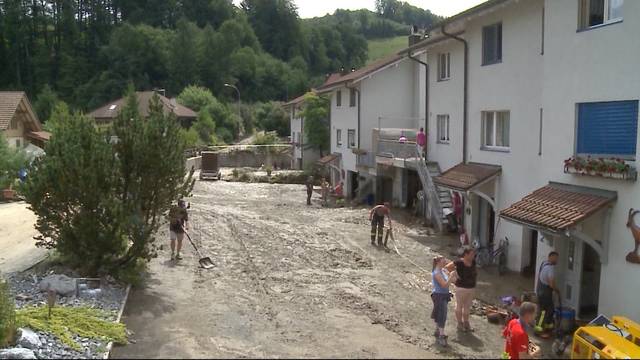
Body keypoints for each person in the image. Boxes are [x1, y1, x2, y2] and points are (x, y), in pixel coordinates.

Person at [445, 247, 477, 332]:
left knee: (467, 306)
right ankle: (460, 323)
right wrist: (454, 277)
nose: (473, 256)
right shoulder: (459, 262)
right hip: (461, 287)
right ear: (466, 254)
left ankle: (466, 323)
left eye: (473, 254)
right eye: (471, 254)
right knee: (459, 305)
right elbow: (448, 267)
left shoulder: (473, 262)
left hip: (471, 287)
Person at [432, 256, 457, 346]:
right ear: (439, 262)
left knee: (439, 313)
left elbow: (453, 281)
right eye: (443, 260)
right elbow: (444, 285)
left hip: (444, 295)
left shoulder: (443, 271)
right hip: (439, 296)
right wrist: (451, 276)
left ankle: (437, 330)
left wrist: (454, 275)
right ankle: (441, 336)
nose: (445, 261)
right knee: (442, 314)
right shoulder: (436, 273)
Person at [536, 251, 559, 331]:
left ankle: (546, 326)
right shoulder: (550, 268)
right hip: (545, 293)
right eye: (555, 258)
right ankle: (539, 329)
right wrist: (557, 290)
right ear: (551, 257)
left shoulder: (543, 263)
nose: (557, 260)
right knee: (544, 312)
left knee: (548, 310)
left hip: (539, 291)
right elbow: (551, 284)